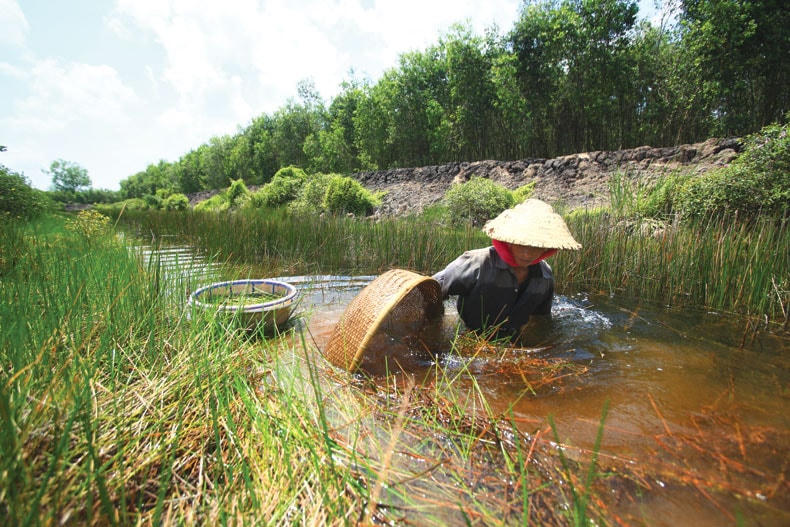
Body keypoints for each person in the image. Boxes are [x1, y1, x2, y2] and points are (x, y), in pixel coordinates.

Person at [432, 198, 581, 341]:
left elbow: (540, 319)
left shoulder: (544, 277)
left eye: (536, 246)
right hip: (469, 335)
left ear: (546, 248)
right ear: (509, 241)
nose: (527, 254)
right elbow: (432, 287)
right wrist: (434, 327)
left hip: (511, 341)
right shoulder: (476, 263)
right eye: (521, 244)